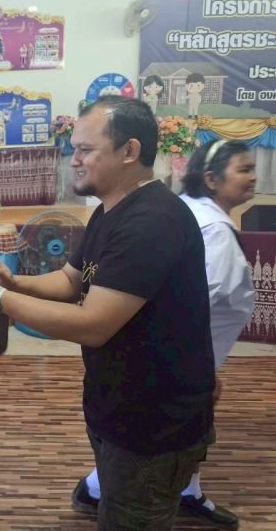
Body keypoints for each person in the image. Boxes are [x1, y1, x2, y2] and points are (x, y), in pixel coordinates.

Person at [0, 95, 216, 531]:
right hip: (118, 405)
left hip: (153, 423)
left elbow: (93, 325)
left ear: (129, 151)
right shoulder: (111, 211)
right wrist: (10, 281)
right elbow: (72, 280)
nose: (73, 160)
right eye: (74, 148)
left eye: (86, 150)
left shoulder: (152, 222)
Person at [76, 139, 256, 530]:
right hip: (170, 376)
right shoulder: (204, 228)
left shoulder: (176, 211)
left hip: (169, 371)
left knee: (137, 462)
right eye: (243, 169)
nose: (252, 177)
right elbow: (186, 307)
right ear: (211, 179)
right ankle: (97, 488)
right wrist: (0, 295)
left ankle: (176, 490)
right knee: (142, 470)